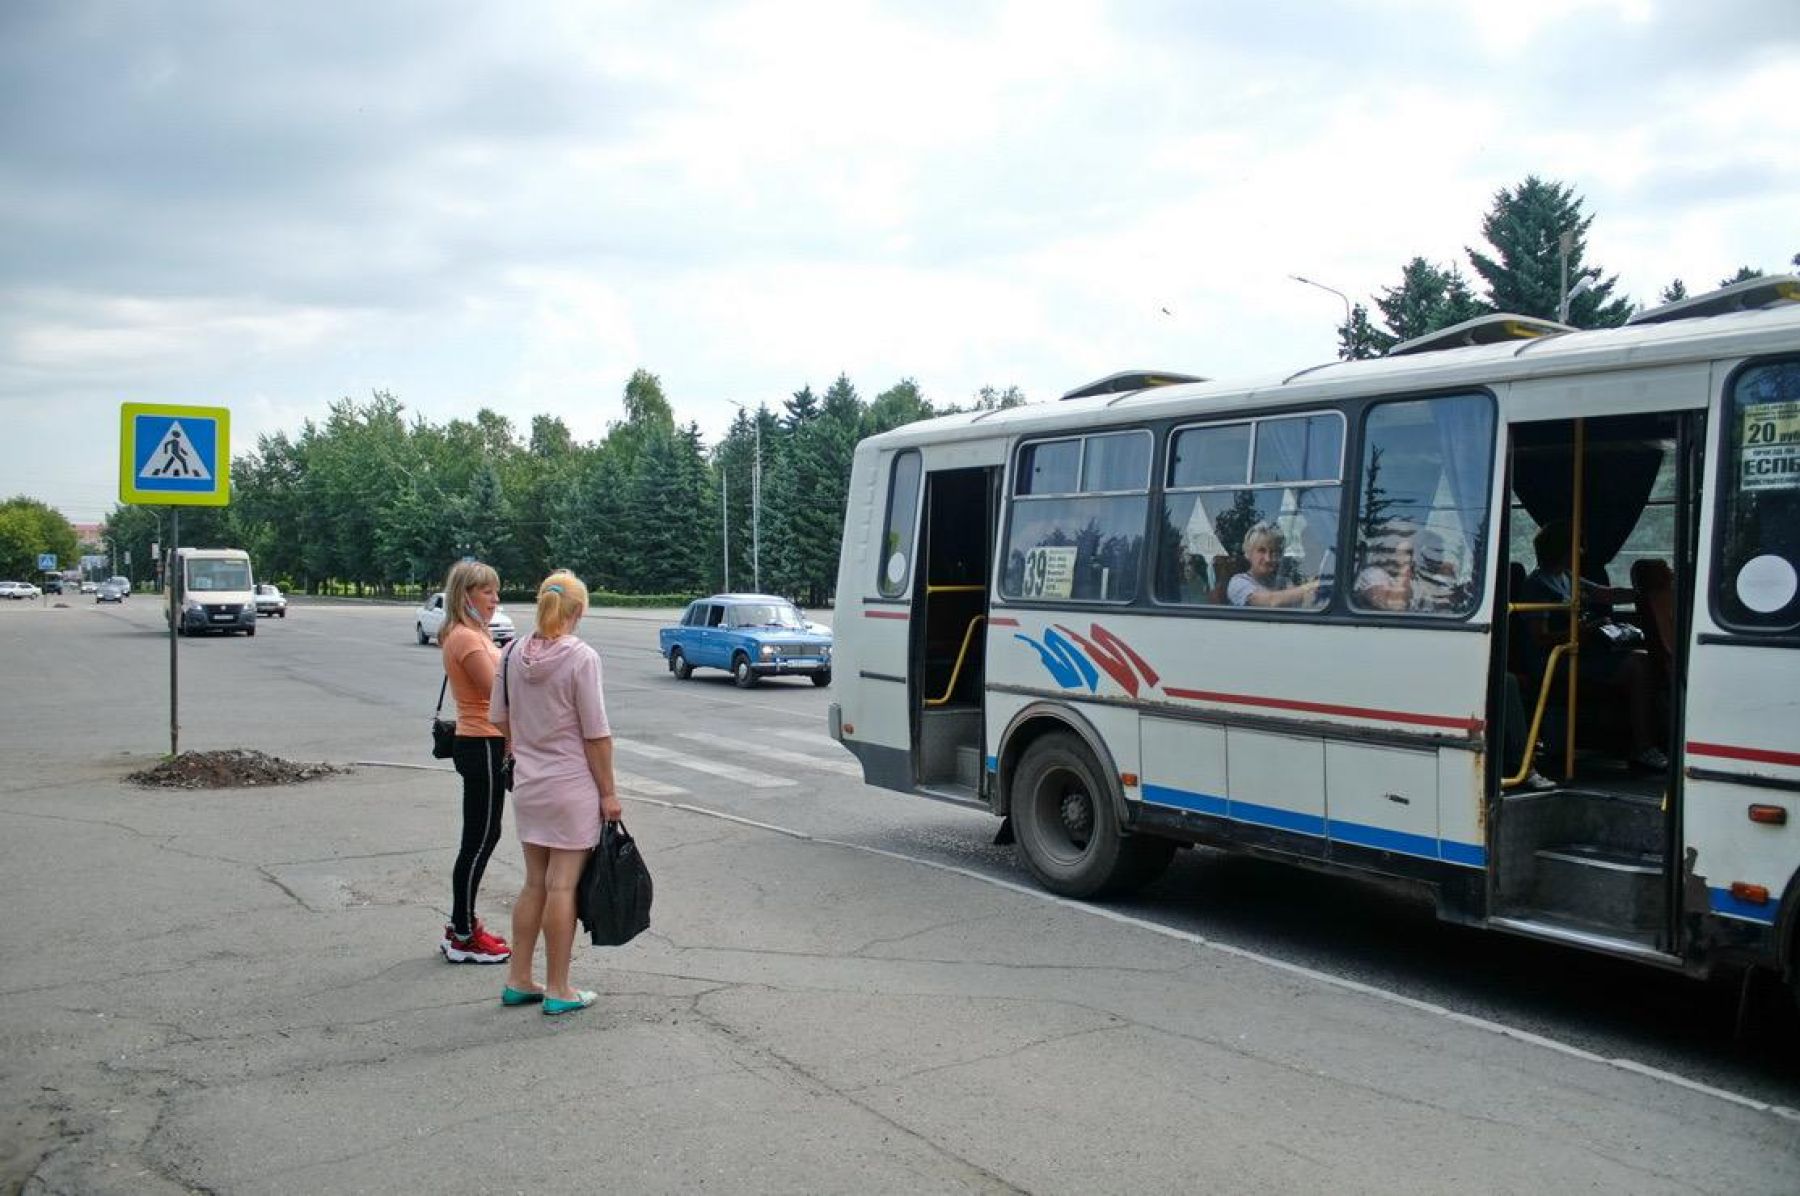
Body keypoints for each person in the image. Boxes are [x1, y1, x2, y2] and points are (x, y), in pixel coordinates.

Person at [490, 570, 622, 1016]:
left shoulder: (510, 652)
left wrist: (526, 746)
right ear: (579, 610)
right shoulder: (581, 657)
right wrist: (609, 793)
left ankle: (518, 979)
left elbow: (499, 718)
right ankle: (559, 988)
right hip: (571, 786)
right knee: (561, 886)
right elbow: (596, 734)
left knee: (534, 883)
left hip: (529, 783)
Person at [1520, 519, 1665, 771]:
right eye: (1577, 546)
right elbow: (1539, 637)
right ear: (1562, 549)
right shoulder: (1537, 585)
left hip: (1579, 652)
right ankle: (1642, 746)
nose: (1581, 552)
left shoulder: (1565, 577)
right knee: (1638, 665)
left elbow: (1604, 594)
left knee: (1641, 658)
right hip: (1555, 659)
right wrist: (1584, 631)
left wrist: (1643, 594)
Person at [438, 559, 512, 965]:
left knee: (484, 836)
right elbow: (498, 694)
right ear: (466, 595)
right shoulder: (466, 638)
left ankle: (460, 924)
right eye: (487, 592)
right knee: (479, 840)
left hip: (485, 743)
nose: (495, 599)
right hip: (481, 744)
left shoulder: (472, 634)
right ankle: (463, 935)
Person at [1227, 521, 1322, 609]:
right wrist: (1309, 587)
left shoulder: (1283, 582)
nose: (1268, 559)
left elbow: (1303, 603)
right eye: (1261, 551)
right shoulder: (1238, 583)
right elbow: (1271, 601)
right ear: (1248, 553)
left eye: (1273, 552)